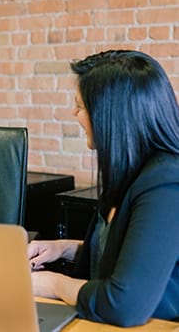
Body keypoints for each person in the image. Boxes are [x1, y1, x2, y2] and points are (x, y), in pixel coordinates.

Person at [28, 50, 179, 326]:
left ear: (110, 115)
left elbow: (124, 304)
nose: (74, 113)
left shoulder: (166, 185)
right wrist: (65, 249)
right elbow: (131, 253)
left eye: (80, 106)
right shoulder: (133, 173)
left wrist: (54, 284)